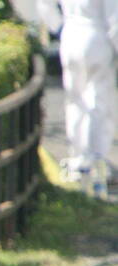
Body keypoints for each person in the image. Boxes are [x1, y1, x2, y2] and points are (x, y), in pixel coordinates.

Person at [39, 0, 118, 199]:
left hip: (70, 35)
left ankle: (77, 156)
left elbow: (44, 5)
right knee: (97, 100)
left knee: (75, 102)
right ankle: (95, 159)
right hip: (96, 35)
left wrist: (58, 28)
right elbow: (114, 17)